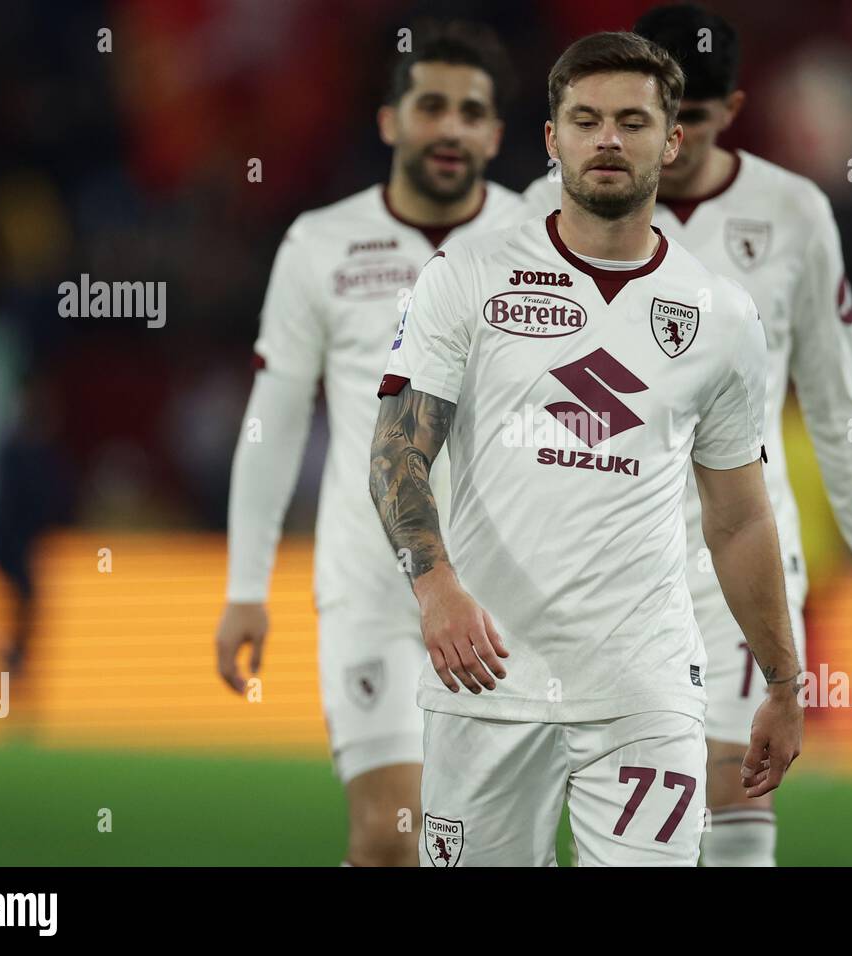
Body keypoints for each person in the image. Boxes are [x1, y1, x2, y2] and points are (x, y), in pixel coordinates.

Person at [370, 30, 802, 867]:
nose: (609, 139)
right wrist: (435, 584)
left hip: (643, 688)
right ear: (551, 138)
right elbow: (397, 453)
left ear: (673, 141)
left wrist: (783, 681)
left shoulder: (720, 315)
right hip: (485, 681)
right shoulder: (466, 276)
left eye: (634, 122)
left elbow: (741, 520)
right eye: (587, 119)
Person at [524, 4, 852, 866]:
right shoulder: (544, 209)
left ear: (731, 109)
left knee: (741, 799)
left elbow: (839, 406)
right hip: (593, 552)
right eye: (658, 115)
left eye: (695, 118)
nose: (676, 139)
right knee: (594, 810)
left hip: (734, 548)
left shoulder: (793, 214)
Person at [214, 20, 527, 867]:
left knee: (479, 847)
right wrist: (247, 584)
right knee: (393, 836)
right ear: (390, 121)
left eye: (472, 112)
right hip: (372, 585)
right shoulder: (319, 244)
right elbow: (272, 418)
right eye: (431, 105)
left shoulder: (540, 237)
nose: (451, 128)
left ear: (497, 134)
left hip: (511, 593)